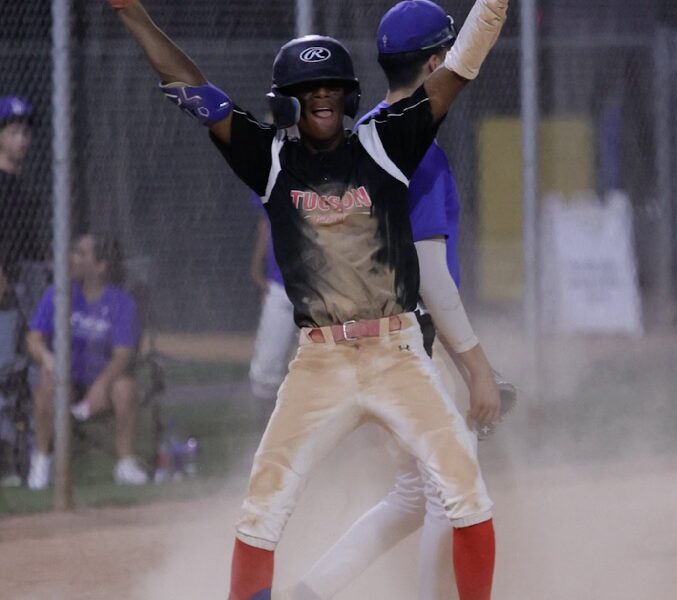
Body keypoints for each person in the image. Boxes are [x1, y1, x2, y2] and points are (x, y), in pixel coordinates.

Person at [107, 0, 510, 597]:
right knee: (262, 508)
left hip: (397, 354)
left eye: (331, 87)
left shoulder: (384, 143)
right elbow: (189, 87)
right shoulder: (269, 158)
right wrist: (132, 14)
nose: (321, 96)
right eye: (306, 89)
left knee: (466, 493)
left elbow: (460, 67)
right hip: (321, 362)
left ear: (349, 97)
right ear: (285, 101)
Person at [289, 3, 509, 598]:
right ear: (436, 63)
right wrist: (476, 368)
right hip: (410, 339)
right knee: (450, 494)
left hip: (359, 336)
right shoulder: (419, 152)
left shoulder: (362, 135)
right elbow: (431, 276)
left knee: (415, 493)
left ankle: (310, 592)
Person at [25, 233, 148, 488]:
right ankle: (42, 464)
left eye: (81, 254)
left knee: (125, 389)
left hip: (103, 383)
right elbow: (34, 338)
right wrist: (47, 359)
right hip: (65, 381)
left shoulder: (120, 302)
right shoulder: (58, 294)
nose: (72, 258)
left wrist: (102, 385)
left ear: (101, 266)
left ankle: (126, 463)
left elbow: (122, 354)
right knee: (46, 386)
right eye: (73, 252)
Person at [247, 191, 298, 412]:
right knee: (265, 375)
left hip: (325, 285)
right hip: (280, 284)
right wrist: (257, 266)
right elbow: (266, 221)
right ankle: (269, 431)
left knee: (330, 368)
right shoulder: (271, 171)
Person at [0, 95, 48, 313]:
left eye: (26, 133)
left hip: (21, 279)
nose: (22, 140)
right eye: (14, 133)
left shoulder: (21, 183)